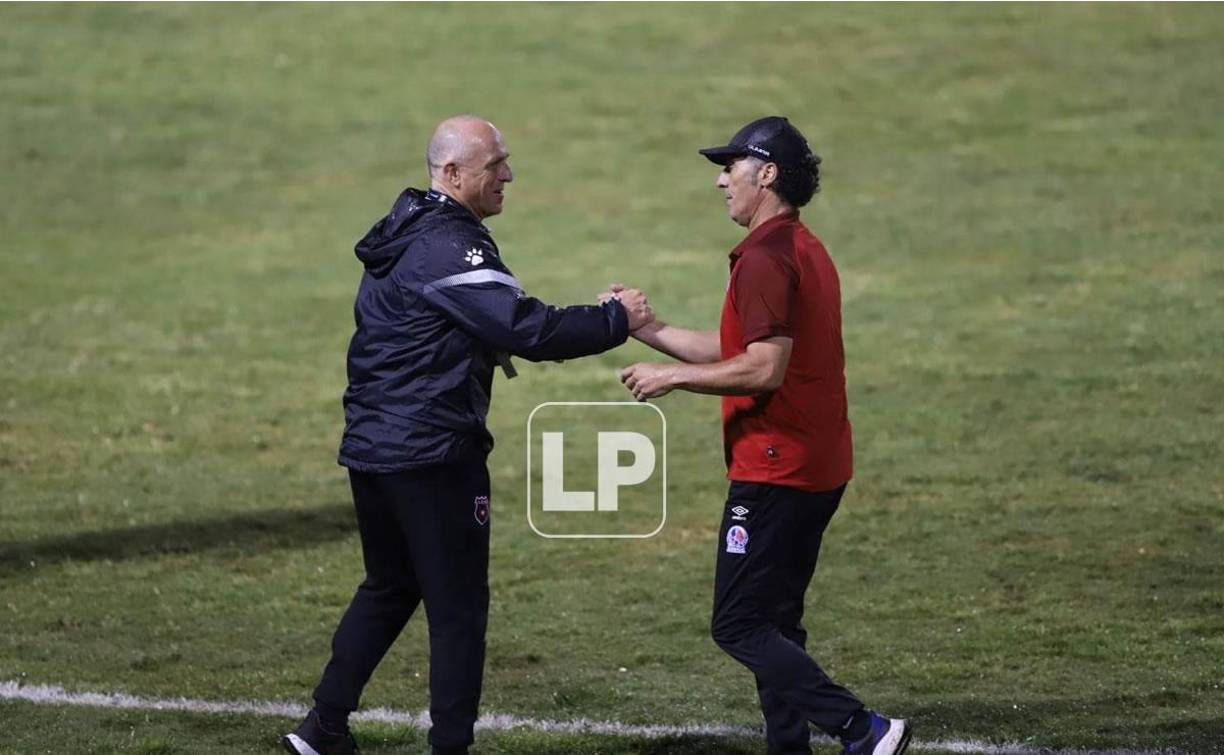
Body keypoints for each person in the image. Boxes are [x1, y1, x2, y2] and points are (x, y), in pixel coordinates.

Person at [282, 115, 653, 755]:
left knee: (391, 585)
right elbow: (527, 328)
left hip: (373, 445)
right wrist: (615, 319)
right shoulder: (448, 244)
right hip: (431, 453)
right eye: (495, 164)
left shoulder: (407, 231)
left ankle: (323, 728)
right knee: (457, 608)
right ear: (453, 174)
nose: (509, 174)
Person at [617, 116, 911, 755]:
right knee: (776, 624)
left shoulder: (764, 258)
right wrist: (648, 329)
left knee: (739, 624)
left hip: (777, 469)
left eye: (731, 167)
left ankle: (863, 729)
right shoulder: (802, 247)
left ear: (767, 173)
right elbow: (738, 347)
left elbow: (762, 368)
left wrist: (672, 377)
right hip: (817, 462)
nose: (721, 180)